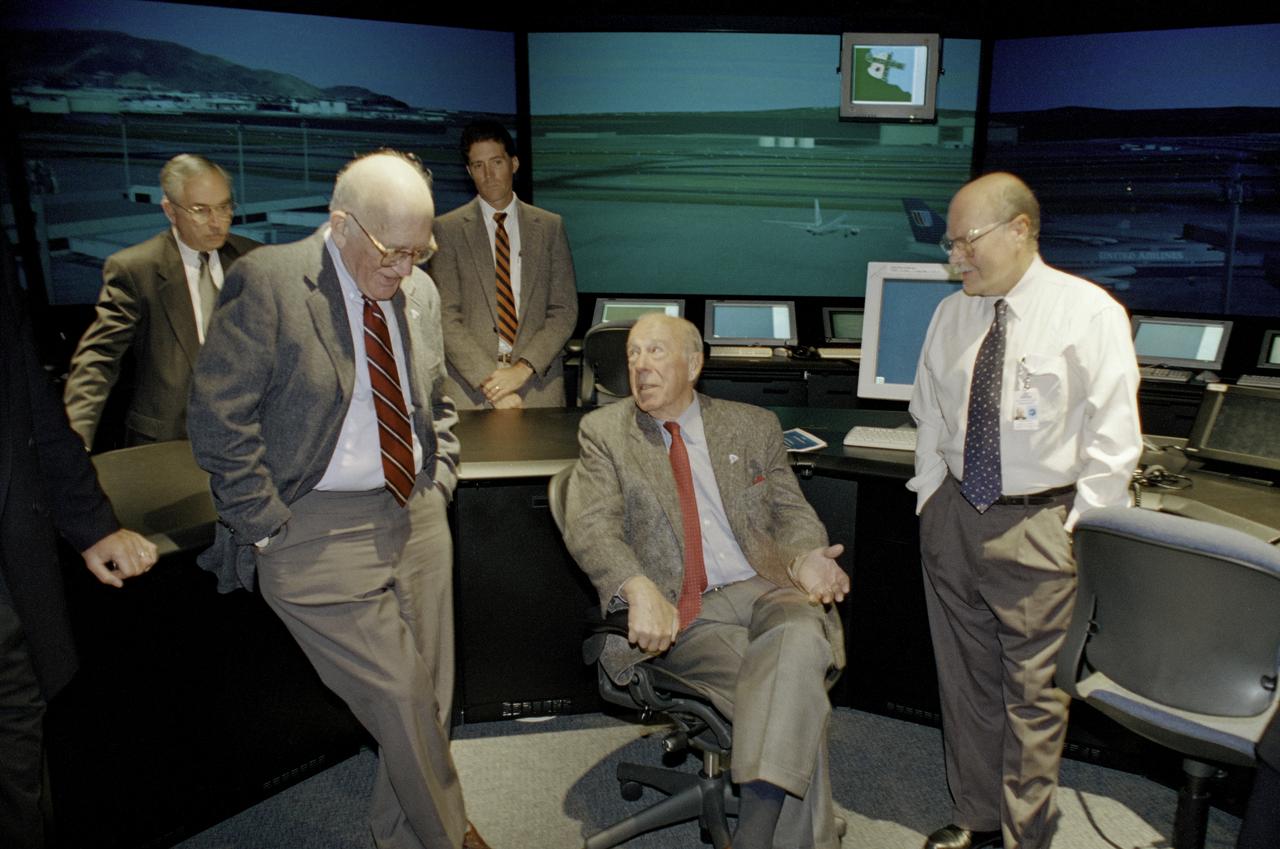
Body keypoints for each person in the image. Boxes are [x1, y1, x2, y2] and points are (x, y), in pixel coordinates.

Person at [187, 151, 489, 849]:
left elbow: (431, 402)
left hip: (413, 512)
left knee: (430, 699)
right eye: (392, 252)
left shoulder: (416, 291)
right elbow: (216, 418)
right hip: (313, 526)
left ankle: (399, 833)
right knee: (403, 697)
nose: (406, 269)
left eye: (420, 251)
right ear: (341, 222)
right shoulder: (268, 283)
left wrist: (437, 483)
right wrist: (264, 526)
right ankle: (449, 837)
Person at [908, 172, 1142, 849]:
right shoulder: (953, 312)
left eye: (966, 242)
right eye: (951, 246)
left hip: (1042, 526)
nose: (956, 260)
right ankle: (977, 817)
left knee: (1035, 699)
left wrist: (1080, 533)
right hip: (955, 515)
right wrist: (930, 499)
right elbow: (929, 413)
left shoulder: (1088, 312)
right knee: (966, 680)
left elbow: (1113, 439)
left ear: (1020, 230)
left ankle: (1023, 835)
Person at [563, 313, 849, 849]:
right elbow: (592, 527)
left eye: (655, 352)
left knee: (798, 639)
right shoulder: (605, 433)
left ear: (694, 364)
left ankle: (755, 835)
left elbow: (792, 513)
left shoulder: (752, 424)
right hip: (685, 611)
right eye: (632, 356)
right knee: (789, 685)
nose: (640, 367)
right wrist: (638, 586)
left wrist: (805, 558)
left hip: (766, 586)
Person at [1, 235, 157, 849]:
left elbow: (30, 404)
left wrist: (90, 523)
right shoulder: (135, 267)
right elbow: (95, 363)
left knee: (18, 757)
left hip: (8, 592)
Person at [63, 153, 258, 450]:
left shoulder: (255, 259)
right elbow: (99, 359)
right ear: (170, 210)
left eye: (224, 207)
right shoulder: (135, 269)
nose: (217, 222)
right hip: (167, 443)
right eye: (200, 210)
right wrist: (74, 439)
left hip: (249, 437)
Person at [428, 120, 577, 409]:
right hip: (471, 391)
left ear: (514, 163)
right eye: (478, 165)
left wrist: (522, 369)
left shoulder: (549, 227)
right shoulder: (447, 230)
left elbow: (564, 310)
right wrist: (493, 382)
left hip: (537, 387)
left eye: (496, 162)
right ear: (469, 171)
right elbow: (445, 317)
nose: (489, 174)